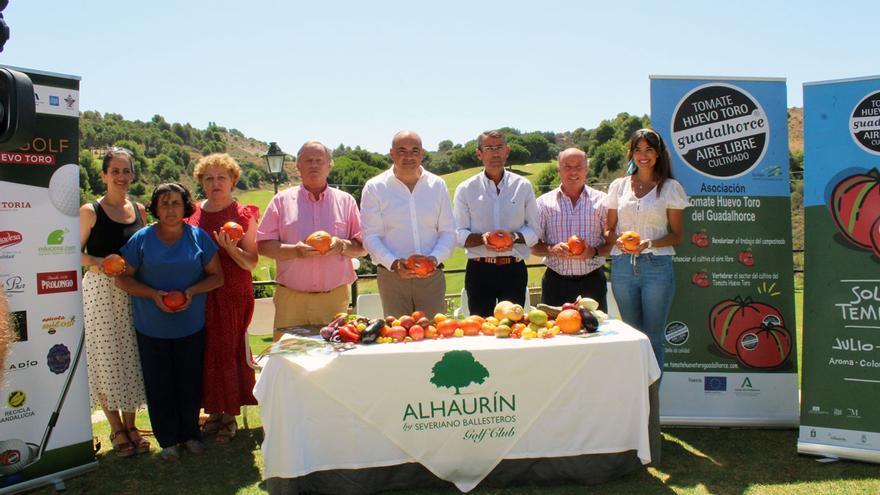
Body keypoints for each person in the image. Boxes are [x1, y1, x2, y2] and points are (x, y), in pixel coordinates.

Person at [116, 182, 224, 461]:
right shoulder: (141, 238)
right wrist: (153, 295)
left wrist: (191, 292)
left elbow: (217, 277)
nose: (170, 209)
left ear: (185, 206)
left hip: (190, 325)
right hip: (151, 326)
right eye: (163, 203)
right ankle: (168, 441)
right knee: (158, 384)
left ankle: (190, 434)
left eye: (175, 202)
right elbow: (122, 278)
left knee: (189, 382)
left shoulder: (198, 237)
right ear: (155, 208)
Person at [78, 147, 150, 457]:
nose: (121, 176)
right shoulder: (90, 211)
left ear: (133, 175)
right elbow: (72, 252)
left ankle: (132, 425)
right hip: (100, 291)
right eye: (115, 171)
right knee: (105, 358)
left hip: (131, 290)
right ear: (104, 174)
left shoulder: (140, 210)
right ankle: (116, 428)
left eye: (126, 171)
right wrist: (99, 261)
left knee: (132, 356)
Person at [257, 141, 365, 340]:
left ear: (329, 165)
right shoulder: (281, 201)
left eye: (319, 160)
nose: (314, 165)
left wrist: (342, 246)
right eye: (308, 160)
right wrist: (294, 251)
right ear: (298, 166)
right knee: (288, 362)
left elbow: (362, 247)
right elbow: (263, 245)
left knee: (333, 363)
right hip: (291, 300)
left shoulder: (346, 201)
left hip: (334, 299)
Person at [186, 153, 258, 444]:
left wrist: (231, 250)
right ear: (201, 181)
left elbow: (252, 262)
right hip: (200, 292)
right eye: (209, 178)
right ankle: (213, 412)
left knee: (228, 350)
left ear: (233, 180)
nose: (215, 183)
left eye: (221, 177)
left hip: (232, 292)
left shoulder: (244, 214)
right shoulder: (190, 213)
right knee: (205, 352)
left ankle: (230, 416)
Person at [604, 129, 688, 369]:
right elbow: (608, 231)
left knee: (653, 339)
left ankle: (652, 403)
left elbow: (677, 236)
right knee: (631, 337)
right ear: (631, 154)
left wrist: (648, 244)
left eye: (649, 150)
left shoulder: (670, 188)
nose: (643, 155)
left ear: (658, 154)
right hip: (622, 268)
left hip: (657, 269)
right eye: (638, 150)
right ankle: (636, 399)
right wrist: (617, 240)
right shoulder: (619, 187)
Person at [361, 131, 456, 317]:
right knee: (397, 338)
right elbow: (371, 236)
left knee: (434, 338)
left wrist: (434, 259)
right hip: (392, 277)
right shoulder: (374, 188)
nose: (408, 156)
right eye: (402, 150)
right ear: (392, 153)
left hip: (431, 276)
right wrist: (394, 264)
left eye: (414, 150)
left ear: (422, 153)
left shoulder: (437, 185)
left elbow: (448, 231)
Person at [453, 130, 539, 316]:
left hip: (514, 270)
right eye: (489, 148)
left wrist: (514, 237)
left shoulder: (523, 186)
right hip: (480, 271)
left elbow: (534, 231)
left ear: (507, 151)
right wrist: (484, 239)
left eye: (499, 147)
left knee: (513, 328)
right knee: (481, 329)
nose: (495, 153)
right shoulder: (466, 189)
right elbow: (459, 233)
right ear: (479, 153)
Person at [532, 148, 610, 311]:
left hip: (592, 282)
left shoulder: (603, 201)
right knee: (555, 333)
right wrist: (551, 249)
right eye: (567, 166)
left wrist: (593, 252)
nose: (573, 171)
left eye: (578, 166)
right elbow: (533, 246)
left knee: (597, 333)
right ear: (558, 169)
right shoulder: (543, 203)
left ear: (586, 169)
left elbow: (612, 244)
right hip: (555, 283)